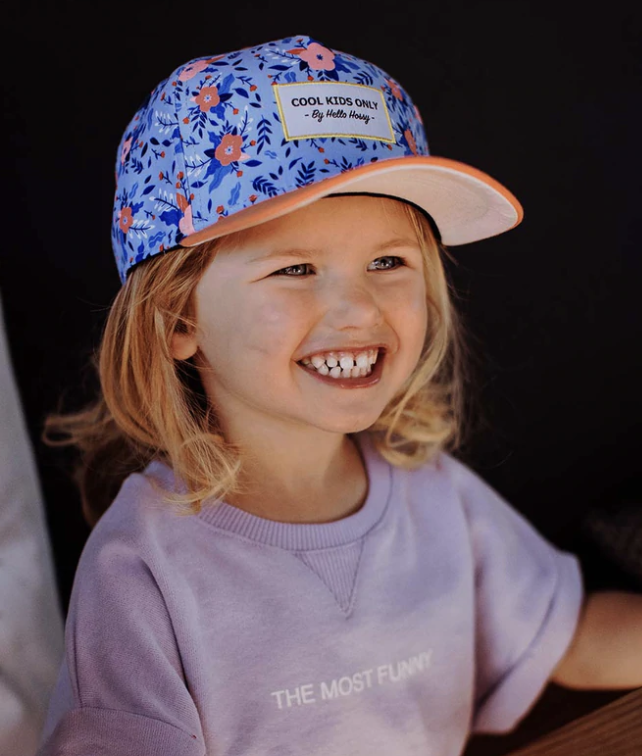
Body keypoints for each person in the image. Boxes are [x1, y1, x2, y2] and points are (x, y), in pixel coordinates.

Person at [37, 34, 642, 756]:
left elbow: (570, 635)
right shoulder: (141, 570)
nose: (357, 308)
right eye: (295, 269)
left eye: (388, 261)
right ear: (178, 320)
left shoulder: (434, 496)